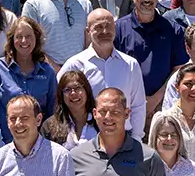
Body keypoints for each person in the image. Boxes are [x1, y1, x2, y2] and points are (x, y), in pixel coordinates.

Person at [58, 8, 145, 140]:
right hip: (86, 140)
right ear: (88, 31)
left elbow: (138, 105)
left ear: (114, 28)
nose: (104, 31)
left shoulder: (130, 64)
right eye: (98, 27)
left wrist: (136, 138)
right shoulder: (75, 64)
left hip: (123, 138)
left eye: (108, 26)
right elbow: (59, 99)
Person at [114, 0, 185, 118]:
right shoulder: (118, 29)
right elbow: (113, 68)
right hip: (127, 106)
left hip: (164, 104)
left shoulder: (174, 30)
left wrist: (155, 99)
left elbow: (178, 71)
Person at [0, 16, 57, 137]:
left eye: (28, 36)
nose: (24, 41)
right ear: (11, 39)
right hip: (4, 143)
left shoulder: (48, 72)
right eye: (19, 37)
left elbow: (53, 111)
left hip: (39, 144)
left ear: (36, 39)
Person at [52, 68, 98, 148]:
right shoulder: (51, 126)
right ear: (61, 96)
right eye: (67, 90)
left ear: (87, 91)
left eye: (78, 88)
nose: (73, 93)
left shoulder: (100, 120)